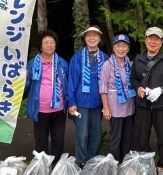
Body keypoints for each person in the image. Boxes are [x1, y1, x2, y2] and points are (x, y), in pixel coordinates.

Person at [130, 27, 163, 172]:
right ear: (145, 40)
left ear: (161, 42)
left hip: (161, 105)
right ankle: (146, 164)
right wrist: (138, 87)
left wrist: (161, 89)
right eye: (150, 38)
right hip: (142, 105)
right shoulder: (138, 59)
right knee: (142, 136)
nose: (153, 41)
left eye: (156, 39)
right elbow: (133, 79)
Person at [24, 30, 69, 167]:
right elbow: (25, 89)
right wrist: (24, 78)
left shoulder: (62, 63)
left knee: (58, 139)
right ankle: (41, 168)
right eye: (46, 43)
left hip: (59, 108)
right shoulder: (32, 64)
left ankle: (56, 167)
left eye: (52, 42)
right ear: (40, 46)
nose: (49, 45)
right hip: (40, 110)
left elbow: (67, 84)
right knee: (41, 141)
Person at [67, 25, 109, 167]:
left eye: (95, 35)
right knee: (82, 133)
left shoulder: (105, 58)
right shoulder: (77, 57)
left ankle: (92, 160)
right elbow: (71, 81)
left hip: (98, 103)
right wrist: (71, 102)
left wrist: (107, 104)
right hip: (81, 103)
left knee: (96, 134)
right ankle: (81, 161)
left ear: (100, 38)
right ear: (84, 39)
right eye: (88, 35)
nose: (92, 38)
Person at [99, 34, 136, 162]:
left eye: (124, 46)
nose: (121, 49)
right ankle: (114, 163)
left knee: (127, 137)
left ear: (128, 48)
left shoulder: (130, 64)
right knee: (116, 137)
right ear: (113, 48)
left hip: (129, 105)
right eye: (118, 46)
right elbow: (103, 87)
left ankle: (124, 163)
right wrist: (105, 107)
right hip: (114, 105)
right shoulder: (107, 65)